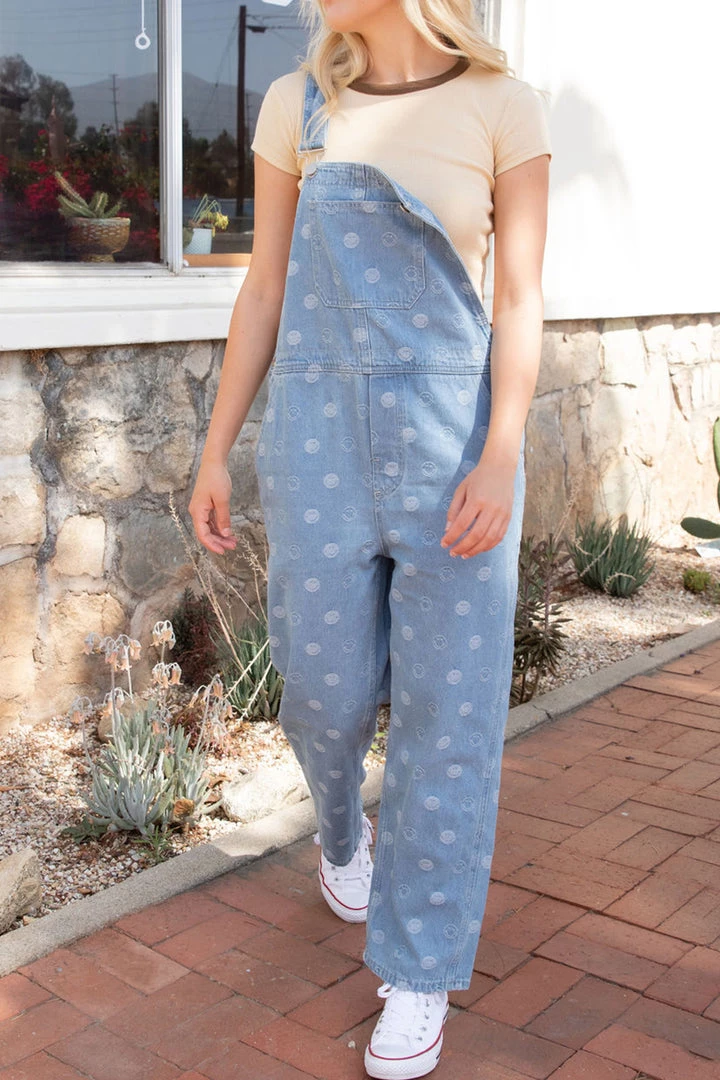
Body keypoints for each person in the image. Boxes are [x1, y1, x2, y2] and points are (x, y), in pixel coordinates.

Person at [189, 0, 551, 1075]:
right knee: (321, 691)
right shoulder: (297, 106)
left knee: (449, 722)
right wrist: (216, 448)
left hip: (456, 456)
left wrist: (502, 450)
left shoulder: (502, 104)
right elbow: (265, 288)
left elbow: (521, 296)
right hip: (319, 448)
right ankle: (343, 829)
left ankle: (419, 971)